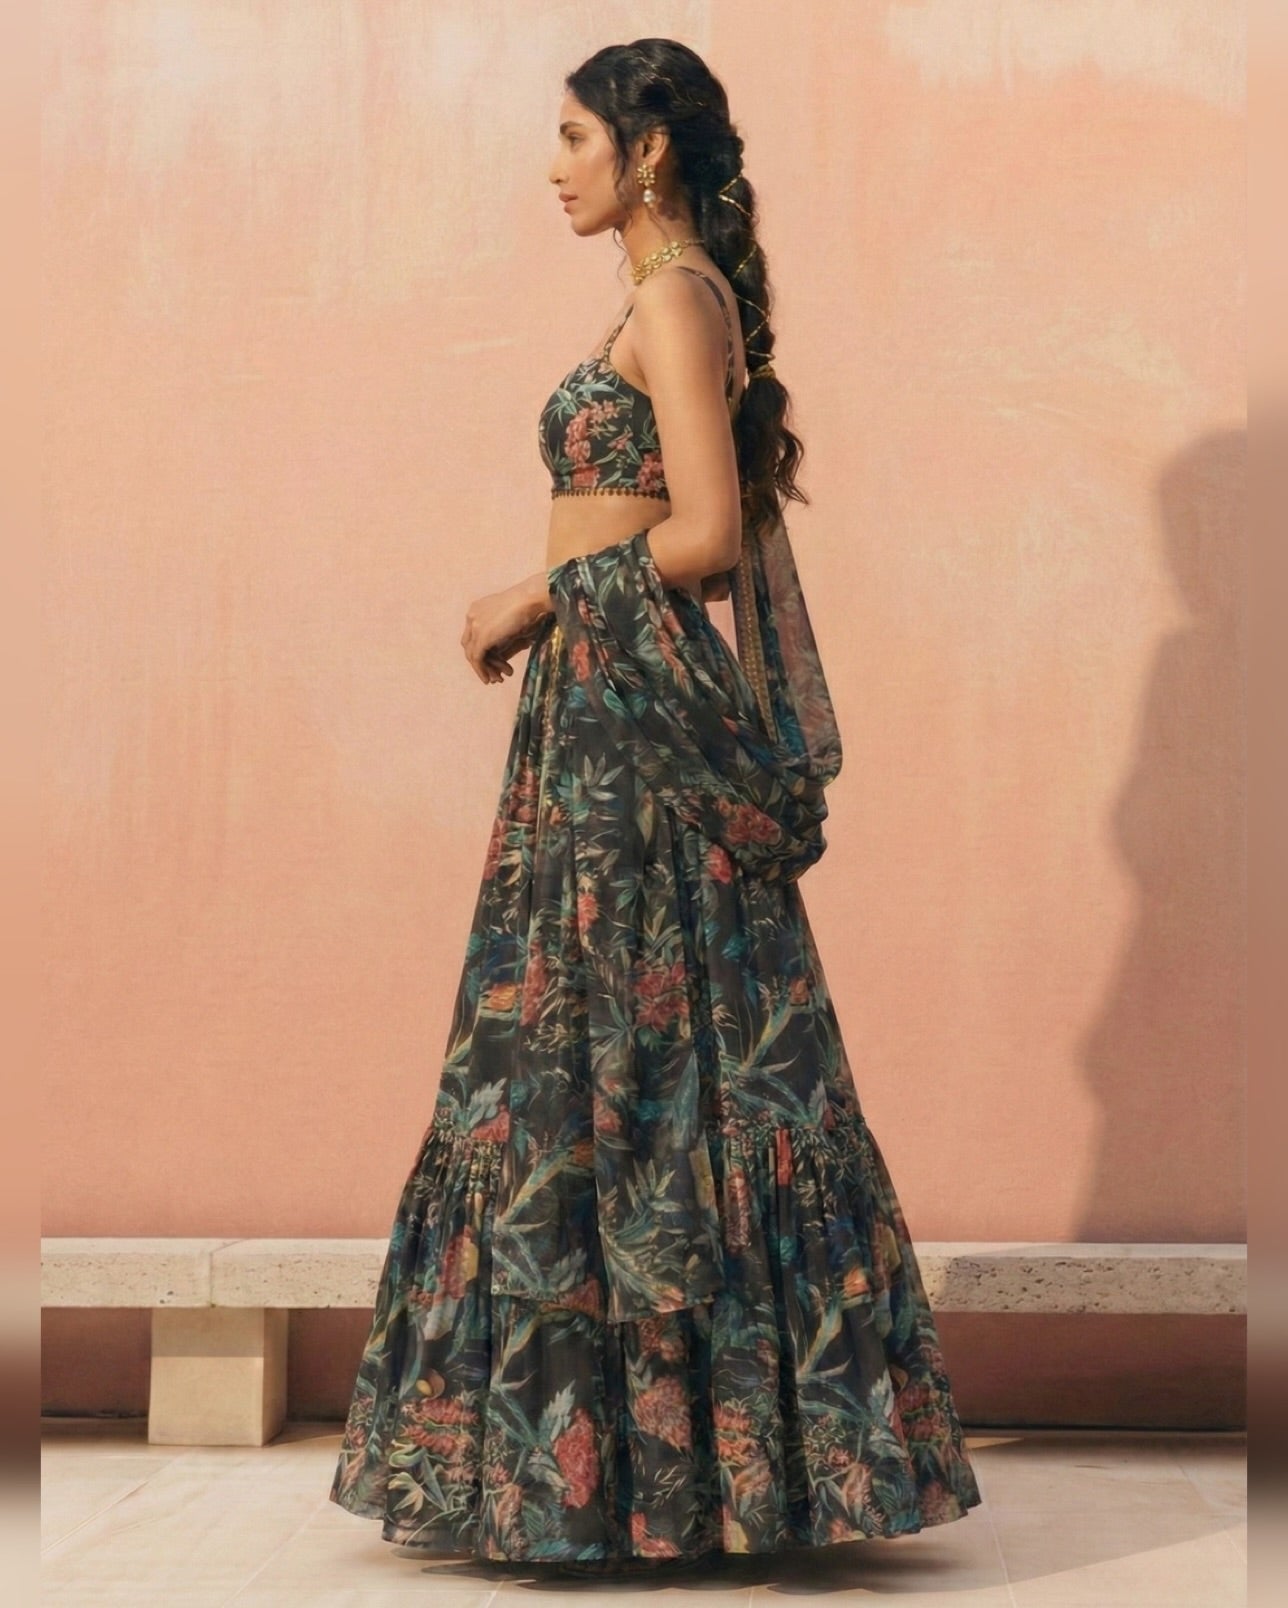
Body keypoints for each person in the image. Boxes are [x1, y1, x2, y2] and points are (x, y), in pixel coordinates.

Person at [330, 37, 982, 1575]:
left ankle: (686, 1475)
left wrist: (532, 595)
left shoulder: (679, 299)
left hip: (632, 738)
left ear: (652, 148)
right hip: (596, 724)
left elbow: (697, 527)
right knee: (595, 1060)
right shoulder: (657, 296)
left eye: (572, 137)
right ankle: (632, 1473)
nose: (552, 166)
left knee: (627, 1059)